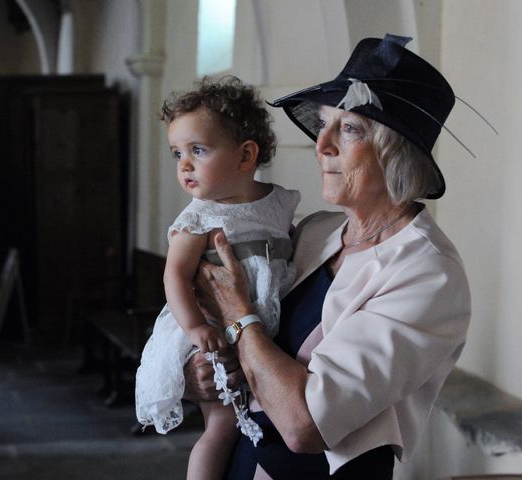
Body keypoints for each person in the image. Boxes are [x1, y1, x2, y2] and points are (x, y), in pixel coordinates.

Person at [185, 34, 471, 478]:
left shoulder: (428, 273)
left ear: (396, 152)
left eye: (350, 128)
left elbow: (306, 425)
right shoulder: (317, 231)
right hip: (240, 459)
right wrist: (197, 376)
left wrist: (237, 314)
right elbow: (240, 342)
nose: (322, 145)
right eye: (324, 124)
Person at [135, 76, 301, 480]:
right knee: (222, 426)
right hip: (209, 330)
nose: (184, 164)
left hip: (259, 328)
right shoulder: (199, 217)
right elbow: (174, 274)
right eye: (177, 153)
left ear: (246, 156)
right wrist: (194, 327)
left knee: (264, 414)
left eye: (198, 150)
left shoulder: (277, 203)